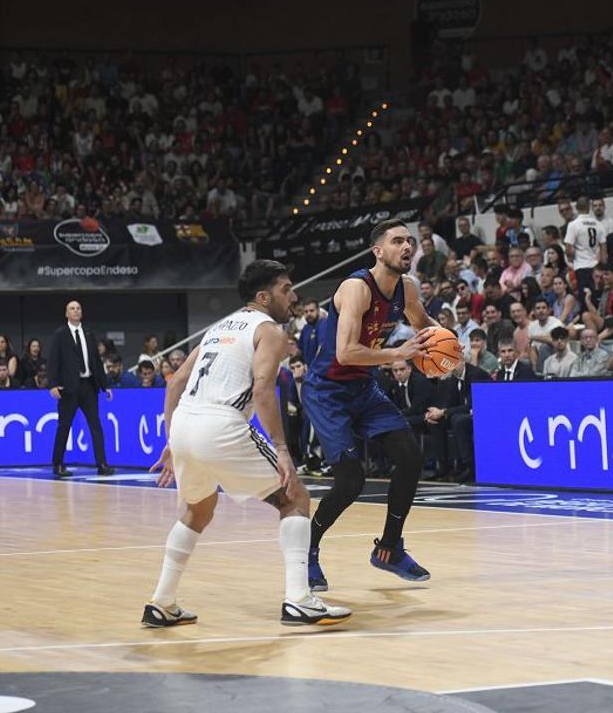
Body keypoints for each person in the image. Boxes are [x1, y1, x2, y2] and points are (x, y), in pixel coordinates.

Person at [147, 260, 350, 627]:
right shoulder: (268, 330)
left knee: (198, 510)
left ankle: (162, 601)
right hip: (221, 425)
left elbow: (175, 381)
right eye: (286, 289)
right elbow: (262, 390)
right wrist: (283, 450)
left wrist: (171, 438)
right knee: (295, 497)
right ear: (263, 296)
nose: (294, 296)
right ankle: (299, 599)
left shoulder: (218, 327)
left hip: (185, 424)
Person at [301, 219, 436, 592]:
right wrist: (399, 352)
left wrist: (448, 346)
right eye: (397, 241)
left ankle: (389, 549)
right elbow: (345, 353)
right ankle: (306, 551)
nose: (407, 246)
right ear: (378, 251)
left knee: (409, 455)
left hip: (362, 387)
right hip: (327, 390)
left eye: (410, 241)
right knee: (351, 480)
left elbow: (426, 326)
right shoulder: (356, 288)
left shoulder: (406, 289)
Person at [46, 300, 114, 478]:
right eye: (72, 309)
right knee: (64, 426)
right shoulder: (60, 334)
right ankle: (58, 464)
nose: (75, 311)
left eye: (78, 309)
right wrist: (52, 383)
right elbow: (53, 360)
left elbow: (96, 362)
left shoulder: (89, 334)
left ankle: (102, 464)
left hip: (89, 385)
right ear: (66, 313)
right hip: (68, 388)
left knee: (95, 425)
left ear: (81, 313)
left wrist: (104, 385)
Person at [426, 357, 490, 482]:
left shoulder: (476, 375)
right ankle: (443, 467)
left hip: (483, 413)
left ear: (462, 361)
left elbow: (473, 405)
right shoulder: (454, 378)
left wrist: (444, 412)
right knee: (436, 422)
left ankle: (468, 465)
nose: (449, 366)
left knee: (458, 421)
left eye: (452, 363)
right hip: (465, 414)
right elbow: (450, 403)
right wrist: (437, 413)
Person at [564, 196, 606, 292]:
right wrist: (603, 267)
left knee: (585, 297)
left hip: (581, 266)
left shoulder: (573, 225)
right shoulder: (598, 224)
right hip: (595, 266)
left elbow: (568, 249)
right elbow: (603, 248)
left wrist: (571, 257)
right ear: (589, 207)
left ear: (576, 207)